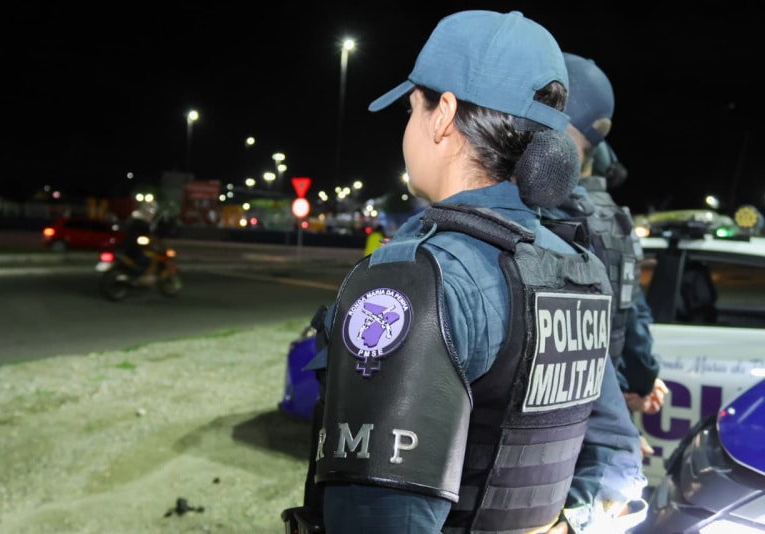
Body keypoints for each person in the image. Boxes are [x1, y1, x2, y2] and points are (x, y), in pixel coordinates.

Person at [283, 10, 646, 534]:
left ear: (443, 115)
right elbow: (617, 463)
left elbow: (383, 520)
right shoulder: (578, 269)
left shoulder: (416, 280)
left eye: (412, 108)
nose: (408, 127)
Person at [540, 53, 669, 453]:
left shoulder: (548, 214)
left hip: (557, 425)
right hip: (596, 413)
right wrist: (635, 389)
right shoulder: (618, 222)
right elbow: (631, 318)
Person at [120, 201, 158, 282]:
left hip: (126, 247)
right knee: (152, 258)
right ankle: (146, 277)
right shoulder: (141, 223)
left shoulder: (134, 220)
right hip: (133, 249)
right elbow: (148, 237)